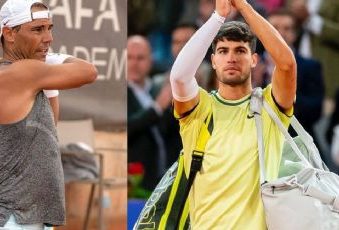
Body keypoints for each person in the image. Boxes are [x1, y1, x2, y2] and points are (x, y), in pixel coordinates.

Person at [0, 0, 97, 229]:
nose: (48, 38)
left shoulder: (26, 76)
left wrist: (47, 71)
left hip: (28, 221)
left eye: (49, 28)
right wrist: (53, 61)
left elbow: (49, 133)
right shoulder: (20, 72)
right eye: (37, 29)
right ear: (9, 33)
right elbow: (89, 71)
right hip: (4, 222)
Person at [170, 0, 296, 228]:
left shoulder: (270, 106)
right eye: (223, 51)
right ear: (213, 61)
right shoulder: (199, 109)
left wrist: (244, 7)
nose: (231, 58)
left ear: (254, 60)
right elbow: (179, 77)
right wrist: (218, 17)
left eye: (240, 50)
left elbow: (286, 65)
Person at [258, 9, 324, 145]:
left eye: (287, 28)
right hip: (258, 142)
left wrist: (283, 82)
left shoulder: (310, 66)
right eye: (274, 28)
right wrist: (254, 82)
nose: (280, 33)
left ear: (294, 34)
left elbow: (315, 112)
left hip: (297, 145)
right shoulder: (250, 65)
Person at [127, 35, 172, 191]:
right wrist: (157, 108)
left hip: (163, 175)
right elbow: (128, 127)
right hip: (135, 180)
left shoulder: (156, 88)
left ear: (150, 60)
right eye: (129, 57)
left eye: (140, 58)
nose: (134, 63)